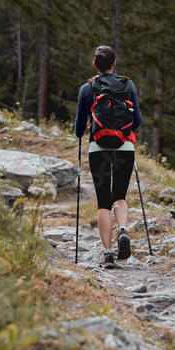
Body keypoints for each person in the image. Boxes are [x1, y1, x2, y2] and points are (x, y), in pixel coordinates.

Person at [74, 45, 142, 267]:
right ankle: (122, 228)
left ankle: (108, 254)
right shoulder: (128, 84)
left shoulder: (87, 88)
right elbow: (138, 121)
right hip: (124, 147)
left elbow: (78, 128)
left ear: (95, 64)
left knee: (103, 202)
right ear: (114, 63)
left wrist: (85, 129)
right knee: (119, 196)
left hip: (99, 148)